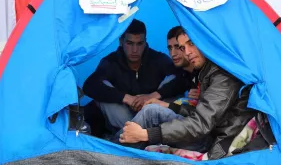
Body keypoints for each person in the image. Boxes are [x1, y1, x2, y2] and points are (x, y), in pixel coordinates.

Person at [118, 28, 256, 160]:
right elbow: (202, 112)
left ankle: (108, 153)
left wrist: (145, 134)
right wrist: (168, 106)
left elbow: (200, 125)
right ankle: (114, 149)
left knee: (150, 113)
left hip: (215, 142)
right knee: (152, 110)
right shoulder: (207, 71)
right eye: (183, 47)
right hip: (209, 132)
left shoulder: (223, 76)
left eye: (191, 43)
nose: (187, 52)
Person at [82, 19, 187, 131]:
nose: (135, 50)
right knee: (101, 88)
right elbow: (89, 85)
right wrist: (127, 98)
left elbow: (183, 79)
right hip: (123, 119)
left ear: (145, 42)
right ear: (121, 42)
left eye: (139, 44)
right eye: (130, 43)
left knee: (174, 78)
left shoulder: (157, 59)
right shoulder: (111, 62)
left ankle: (142, 136)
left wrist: (153, 96)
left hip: (151, 117)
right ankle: (131, 135)